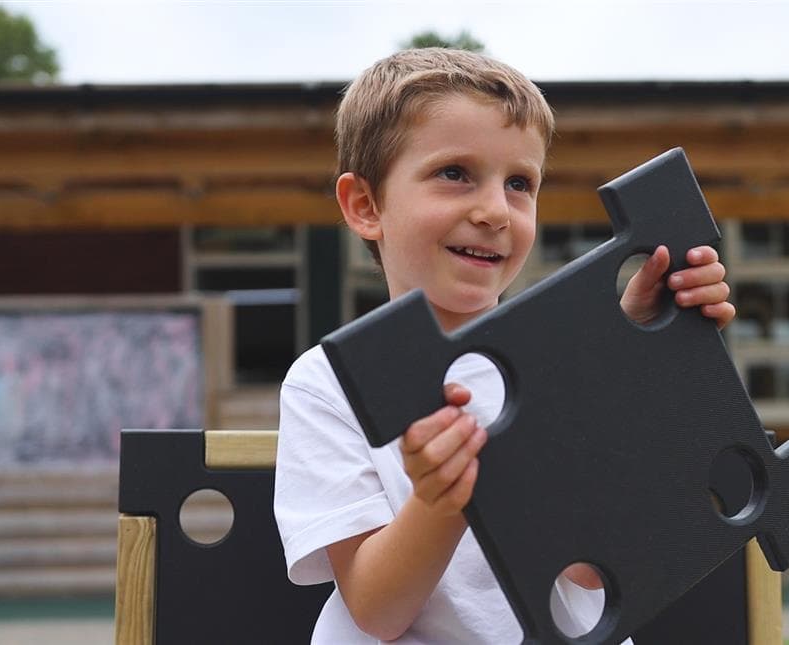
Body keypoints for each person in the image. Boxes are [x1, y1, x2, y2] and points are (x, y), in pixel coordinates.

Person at [274, 47, 736, 643]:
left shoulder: (573, 360)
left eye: (520, 183)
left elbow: (592, 575)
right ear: (366, 206)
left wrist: (640, 354)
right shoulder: (327, 384)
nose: (495, 210)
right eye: (454, 173)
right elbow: (376, 609)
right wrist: (441, 501)